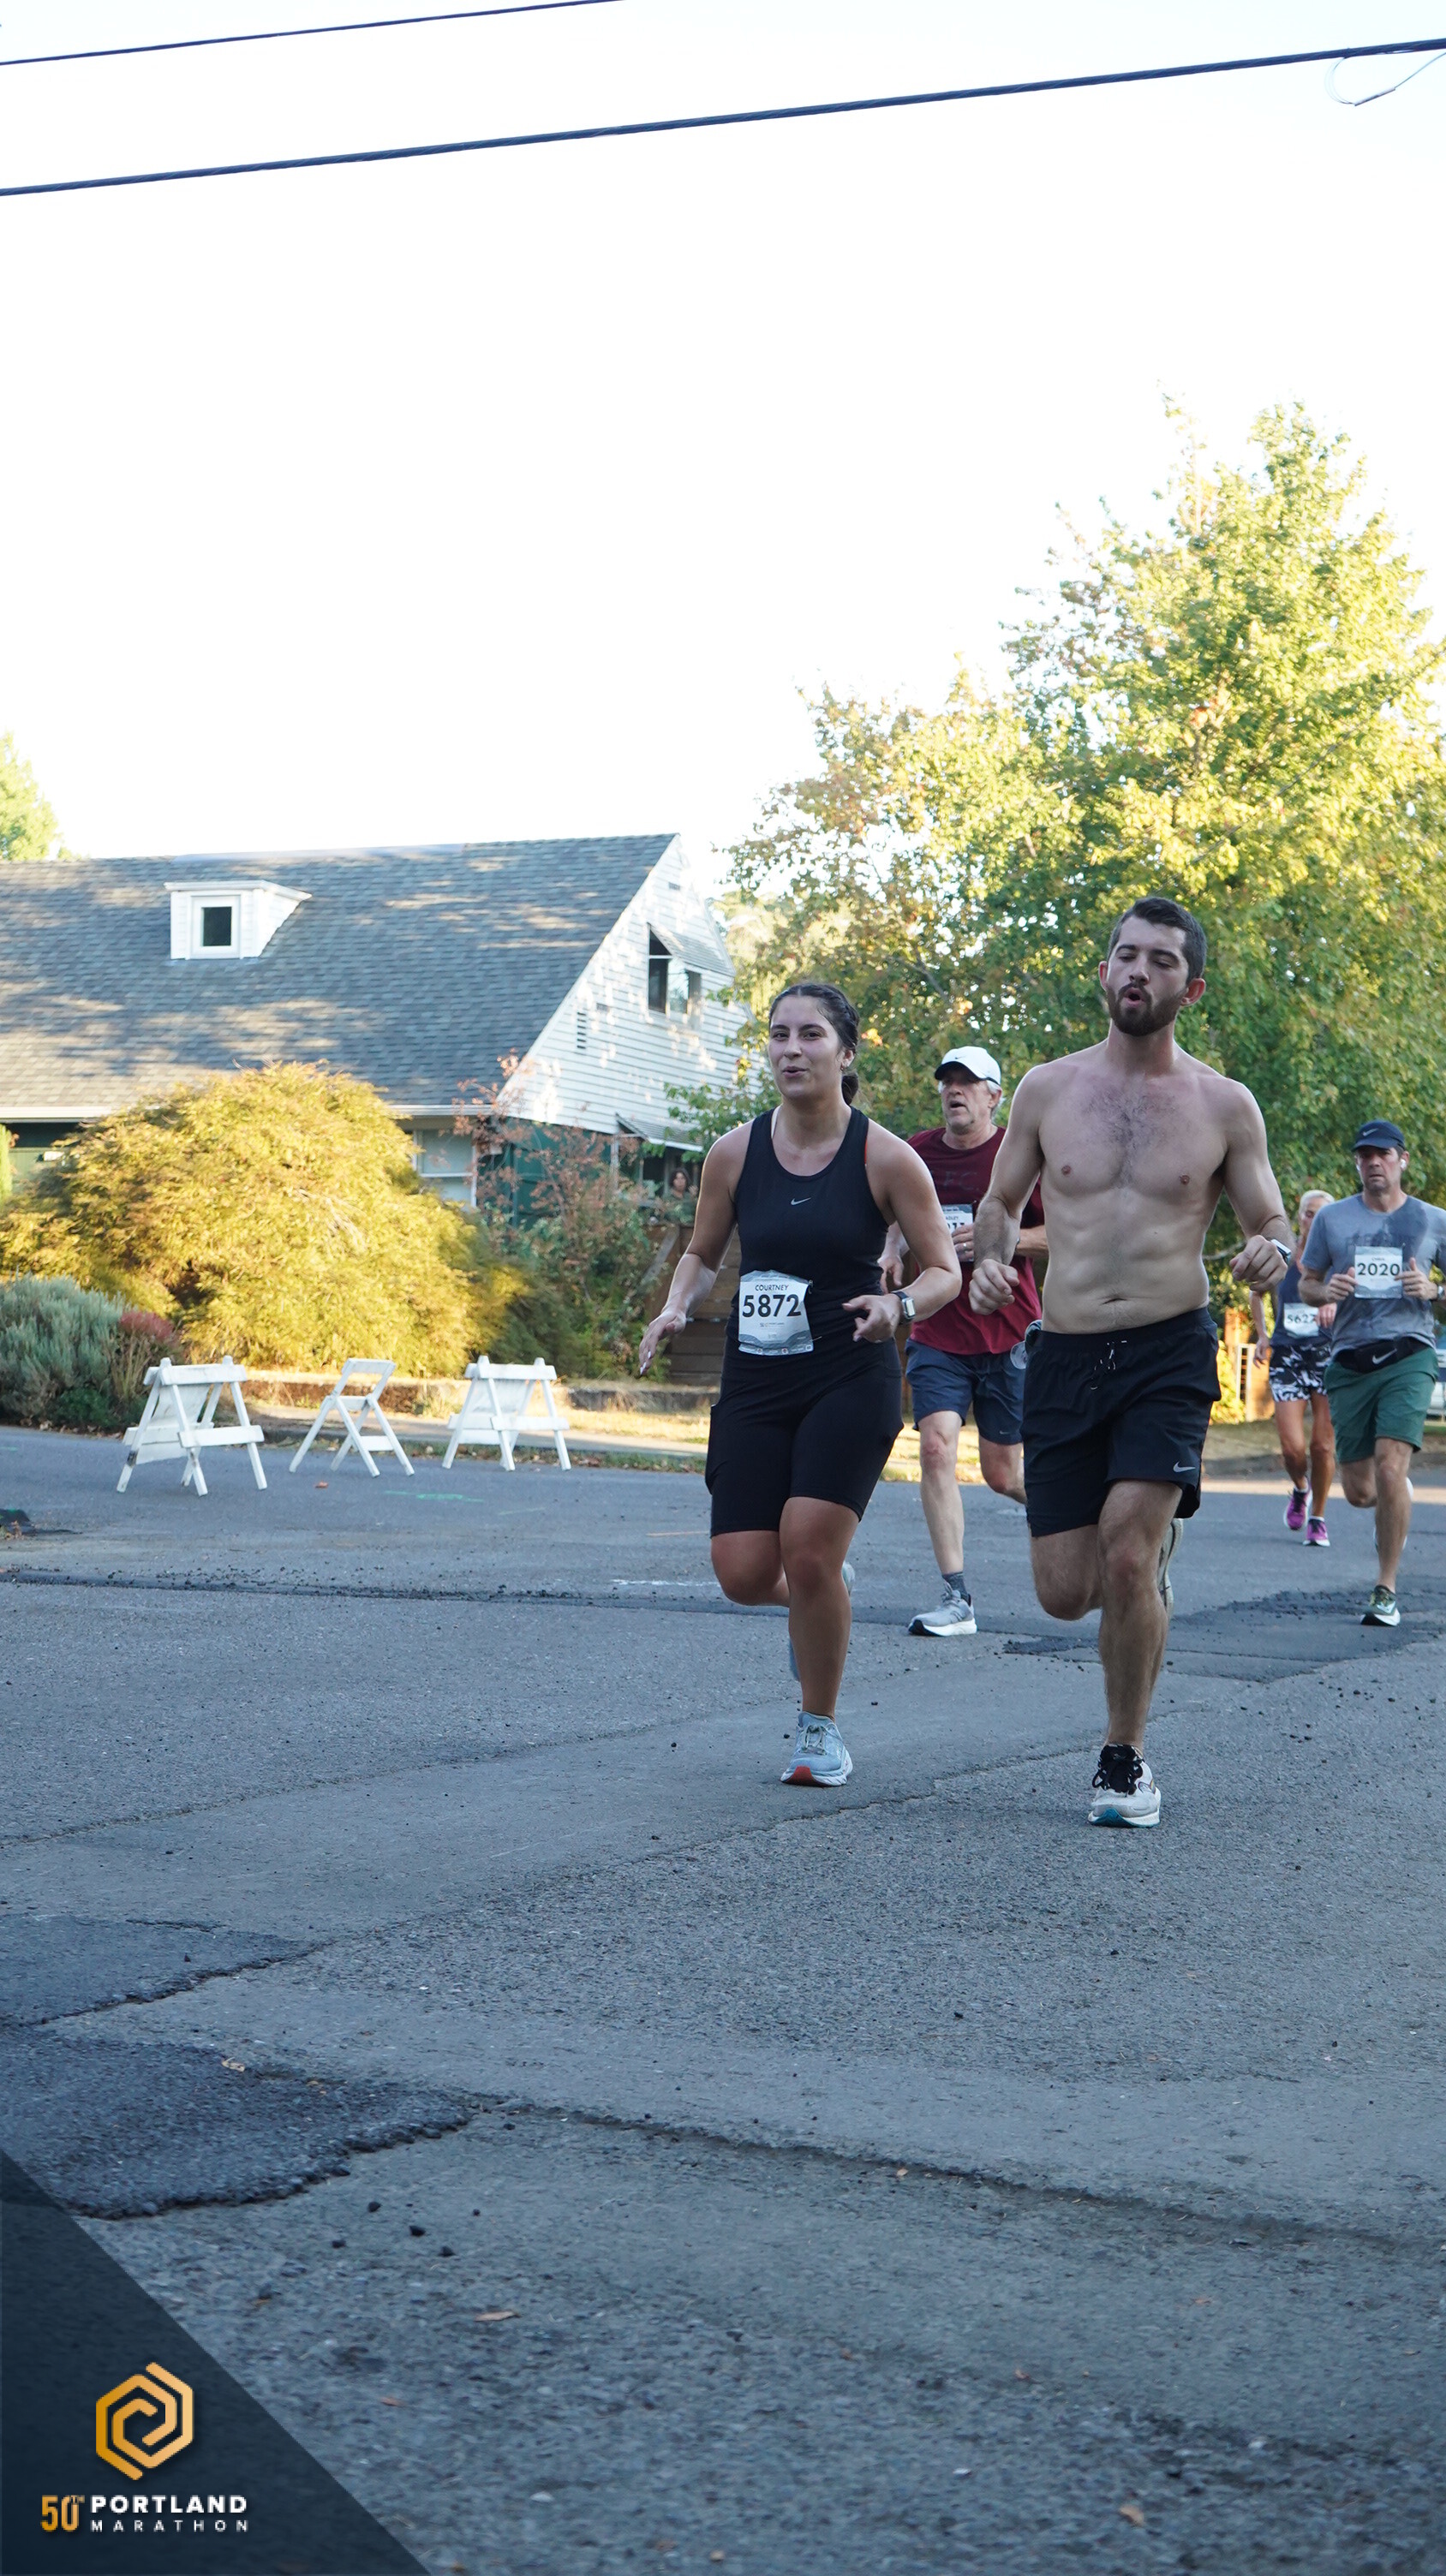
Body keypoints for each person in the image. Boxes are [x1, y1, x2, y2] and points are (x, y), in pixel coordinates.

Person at [971, 896, 1292, 1828]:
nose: (1138, 971)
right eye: (1126, 955)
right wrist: (991, 1260)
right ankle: (1144, 1569)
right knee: (1065, 1591)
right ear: (1104, 972)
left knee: (1122, 1551)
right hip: (1065, 1352)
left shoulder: (1224, 1104)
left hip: (1168, 1346)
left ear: (1191, 989)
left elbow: (1270, 1219)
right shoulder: (1045, 1090)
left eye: (1160, 960)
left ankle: (1123, 1759)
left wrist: (1271, 1249)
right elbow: (999, 1202)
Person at [638, 981, 960, 1785]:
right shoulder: (734, 1153)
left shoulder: (887, 1158)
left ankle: (819, 1729)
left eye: (810, 1035)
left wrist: (897, 1306)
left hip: (848, 1373)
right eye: (779, 1034)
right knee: (744, 1572)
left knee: (808, 1548)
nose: (791, 1049)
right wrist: (676, 1306)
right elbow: (703, 1252)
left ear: (845, 1053)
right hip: (756, 1380)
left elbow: (944, 1272)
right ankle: (823, 1594)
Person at [879, 1043, 1047, 1638]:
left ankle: (1081, 1518)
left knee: (1004, 1475)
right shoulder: (917, 1152)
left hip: (1008, 1331)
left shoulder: (1017, 1155)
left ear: (994, 1095)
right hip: (938, 1329)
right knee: (934, 1449)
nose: (954, 1091)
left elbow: (1064, 1232)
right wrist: (892, 1249)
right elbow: (898, 1211)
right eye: (947, 1081)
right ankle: (957, 1598)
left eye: (968, 1082)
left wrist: (1000, 1239)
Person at [1297, 1120, 1446, 1627]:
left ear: (1403, 1159)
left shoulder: (1432, 1220)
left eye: (1383, 1154)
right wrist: (1327, 1291)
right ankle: (1394, 1503)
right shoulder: (1332, 1219)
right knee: (1361, 1491)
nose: (1373, 1162)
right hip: (1350, 1360)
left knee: (1390, 1466)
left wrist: (1434, 1292)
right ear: (1357, 1163)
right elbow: (1307, 1283)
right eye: (1365, 1155)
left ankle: (1385, 1589)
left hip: (1410, 1353)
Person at [1249, 1190, 1337, 1546]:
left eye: (1323, 1215)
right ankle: (1301, 1487)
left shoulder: (1338, 1259)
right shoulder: (1282, 1256)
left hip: (1327, 1356)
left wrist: (1336, 1305)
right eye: (1309, 1213)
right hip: (1287, 1355)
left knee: (1322, 1446)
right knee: (1292, 1449)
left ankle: (1318, 1517)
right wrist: (1262, 1335)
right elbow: (1256, 1292)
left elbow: (1358, 1296)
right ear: (1299, 1217)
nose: (1315, 1221)